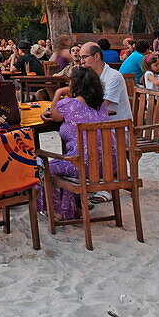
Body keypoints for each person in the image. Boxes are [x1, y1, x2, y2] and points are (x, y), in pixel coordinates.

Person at [36, 68, 110, 220]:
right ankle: (75, 208)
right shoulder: (102, 106)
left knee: (44, 166)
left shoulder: (68, 104)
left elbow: (55, 116)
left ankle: (57, 211)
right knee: (68, 161)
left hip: (82, 166)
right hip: (108, 166)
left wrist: (58, 93)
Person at [80, 42, 131, 121]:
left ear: (97, 56)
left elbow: (102, 106)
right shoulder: (89, 76)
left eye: (84, 57)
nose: (82, 62)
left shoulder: (114, 76)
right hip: (98, 125)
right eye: (81, 58)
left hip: (117, 128)